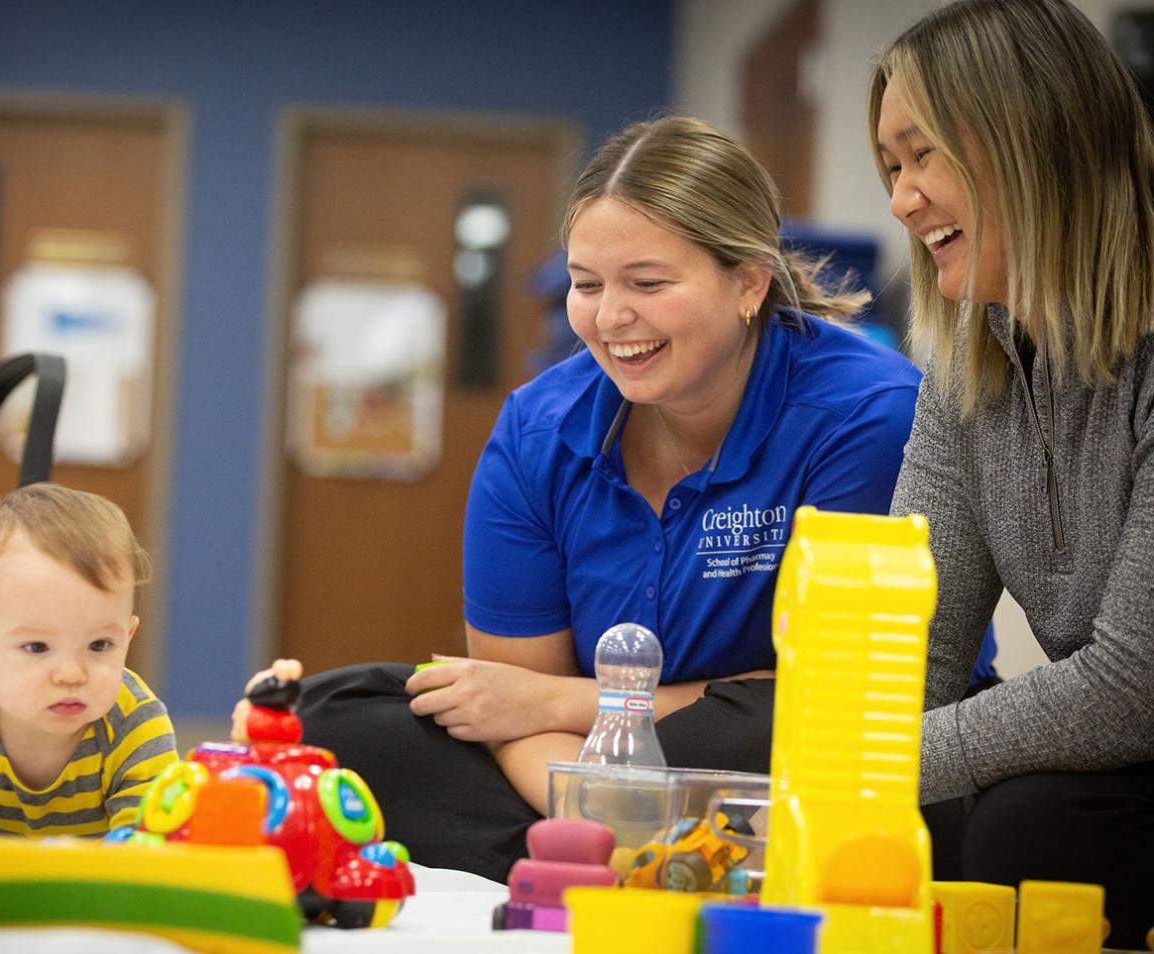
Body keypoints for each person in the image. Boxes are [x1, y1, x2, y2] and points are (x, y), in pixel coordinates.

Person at [241, 116, 939, 883]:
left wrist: (561, 703)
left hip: (794, 746)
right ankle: (639, 865)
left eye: (647, 284)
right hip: (590, 767)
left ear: (749, 282)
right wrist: (598, 813)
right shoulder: (537, 429)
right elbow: (504, 706)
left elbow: (845, 691)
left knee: (764, 726)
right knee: (338, 717)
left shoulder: (867, 414)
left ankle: (580, 865)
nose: (609, 319)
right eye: (586, 285)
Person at [869, 0, 1154, 944]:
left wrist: (876, 763)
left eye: (924, 155)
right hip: (1118, 754)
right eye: (892, 168)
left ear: (1032, 139)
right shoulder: (971, 358)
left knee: (1029, 829)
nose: (903, 199)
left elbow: (1132, 682)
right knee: (912, 811)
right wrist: (852, 780)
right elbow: (921, 635)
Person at [0, 482, 178, 837]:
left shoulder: (135, 726)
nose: (71, 674)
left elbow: (146, 852)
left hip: (93, 889)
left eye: (100, 645)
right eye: (37, 648)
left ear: (127, 639)